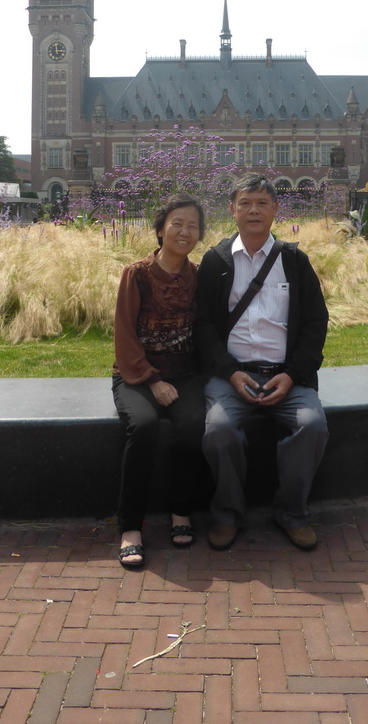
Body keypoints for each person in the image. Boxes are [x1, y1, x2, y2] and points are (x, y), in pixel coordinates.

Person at [195, 174, 329, 552]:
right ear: (232, 209)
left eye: (261, 202)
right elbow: (203, 325)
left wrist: (292, 376)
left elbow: (316, 323)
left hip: (287, 377)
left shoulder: (294, 260)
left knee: (313, 426)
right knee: (219, 431)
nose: (253, 210)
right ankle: (227, 514)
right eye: (245, 202)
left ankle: (292, 512)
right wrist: (230, 372)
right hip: (232, 375)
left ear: (275, 209)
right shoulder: (216, 261)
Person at [112, 194, 207, 570]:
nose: (185, 232)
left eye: (193, 225)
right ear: (161, 228)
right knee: (145, 426)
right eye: (177, 224)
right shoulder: (136, 274)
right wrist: (152, 381)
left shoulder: (197, 277)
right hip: (136, 375)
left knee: (193, 424)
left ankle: (181, 511)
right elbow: (124, 335)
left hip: (185, 374)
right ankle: (130, 526)